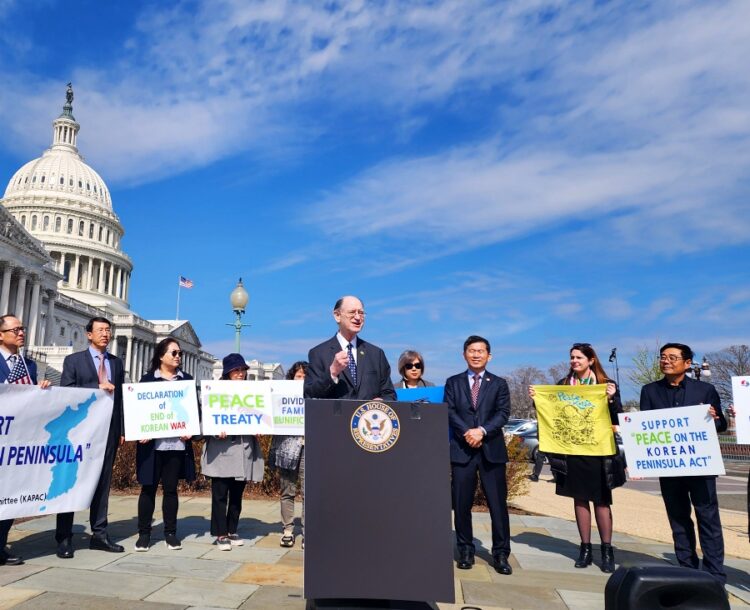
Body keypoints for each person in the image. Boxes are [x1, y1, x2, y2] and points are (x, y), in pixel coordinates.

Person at [529, 343, 622, 573]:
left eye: (579, 357)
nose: (574, 361)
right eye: (572, 357)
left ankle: (607, 550)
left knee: (601, 500)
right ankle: (585, 548)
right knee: (579, 499)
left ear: (591, 360)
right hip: (572, 451)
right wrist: (537, 399)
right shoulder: (563, 385)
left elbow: (617, 417)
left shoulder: (605, 385)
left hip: (598, 452)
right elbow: (551, 411)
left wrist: (611, 399)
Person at [640, 343, 728, 584]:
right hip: (669, 467)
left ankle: (715, 573)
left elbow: (722, 425)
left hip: (701, 465)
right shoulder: (649, 391)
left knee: (708, 517)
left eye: (672, 357)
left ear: (687, 363)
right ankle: (687, 567)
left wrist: (714, 418)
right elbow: (643, 429)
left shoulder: (705, 389)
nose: (665, 361)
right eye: (662, 357)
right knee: (678, 517)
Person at [55, 316, 125, 559]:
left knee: (103, 484)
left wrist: (122, 430)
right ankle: (64, 537)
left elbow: (121, 401)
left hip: (108, 432)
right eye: (101, 330)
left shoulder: (116, 363)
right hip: (80, 433)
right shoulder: (74, 360)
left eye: (108, 330)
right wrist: (97, 390)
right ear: (89, 334)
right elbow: (66, 393)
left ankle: (99, 534)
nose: (106, 334)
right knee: (70, 482)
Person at [446, 335, 512, 575]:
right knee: (462, 504)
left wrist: (482, 431)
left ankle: (501, 553)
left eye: (480, 351)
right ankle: (465, 549)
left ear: (489, 355)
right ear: (464, 354)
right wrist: (468, 432)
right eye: (471, 351)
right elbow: (450, 411)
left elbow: (503, 413)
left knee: (497, 505)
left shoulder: (499, 384)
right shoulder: (452, 382)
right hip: (462, 451)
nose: (476, 354)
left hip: (491, 451)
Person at [134, 338, 195, 551]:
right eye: (174, 353)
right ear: (161, 356)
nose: (178, 357)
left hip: (176, 445)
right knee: (148, 489)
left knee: (171, 490)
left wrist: (191, 430)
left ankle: (170, 533)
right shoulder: (147, 380)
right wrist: (140, 430)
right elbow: (138, 411)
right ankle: (144, 534)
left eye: (180, 353)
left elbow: (192, 411)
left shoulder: (186, 380)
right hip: (152, 445)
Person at [0, 314, 51, 566]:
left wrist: (40, 388)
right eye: (15, 329)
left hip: (17, 444)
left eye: (23, 328)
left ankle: (0, 546)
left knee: (9, 498)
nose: (21, 332)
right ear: (1, 334)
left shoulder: (28, 365)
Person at [201, 353, 264, 551]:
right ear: (227, 373)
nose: (240, 374)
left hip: (243, 449)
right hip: (221, 450)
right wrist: (213, 430)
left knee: (237, 494)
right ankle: (220, 533)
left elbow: (260, 416)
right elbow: (205, 421)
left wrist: (260, 426)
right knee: (220, 494)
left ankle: (232, 529)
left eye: (242, 370)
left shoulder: (253, 394)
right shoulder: (214, 392)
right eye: (236, 370)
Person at [304, 296, 396, 402]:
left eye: (361, 313)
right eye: (352, 312)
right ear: (337, 316)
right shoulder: (318, 353)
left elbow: (389, 394)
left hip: (368, 417)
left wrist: (382, 401)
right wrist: (332, 372)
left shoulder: (376, 354)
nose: (357, 317)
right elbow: (309, 395)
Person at [269, 361, 308, 548]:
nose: (301, 379)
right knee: (287, 491)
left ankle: (308, 532)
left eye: (305, 376)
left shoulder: (315, 396)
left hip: (309, 447)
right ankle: (287, 530)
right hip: (286, 448)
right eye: (298, 376)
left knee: (308, 493)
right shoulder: (281, 395)